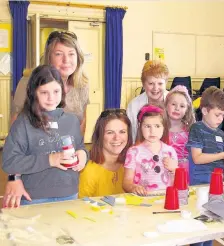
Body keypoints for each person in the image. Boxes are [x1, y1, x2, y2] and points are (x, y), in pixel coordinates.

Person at [3, 30, 90, 207]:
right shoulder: (29, 82)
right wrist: (14, 177)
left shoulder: (82, 85)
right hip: (35, 184)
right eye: (59, 54)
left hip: (65, 186)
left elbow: (79, 130)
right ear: (49, 57)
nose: (66, 60)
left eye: (71, 54)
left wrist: (81, 154)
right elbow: (15, 141)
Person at [187, 86, 224, 246]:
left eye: (223, 115)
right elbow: (197, 158)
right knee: (197, 230)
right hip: (199, 186)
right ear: (204, 110)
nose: (221, 119)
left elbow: (223, 162)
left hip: (216, 187)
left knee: (211, 229)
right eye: (217, 114)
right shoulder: (197, 129)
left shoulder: (221, 134)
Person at [122, 104, 178, 196]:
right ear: (140, 126)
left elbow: (178, 181)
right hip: (142, 200)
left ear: (164, 127)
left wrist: (175, 169)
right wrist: (133, 187)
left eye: (157, 126)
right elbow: (126, 183)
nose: (152, 131)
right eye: (147, 126)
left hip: (166, 198)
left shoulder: (170, 151)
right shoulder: (133, 152)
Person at [79, 109, 132, 198]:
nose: (117, 138)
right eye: (110, 132)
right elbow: (80, 207)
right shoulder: (88, 170)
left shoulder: (131, 165)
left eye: (122, 132)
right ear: (99, 135)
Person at [127, 60, 170, 141]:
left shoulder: (175, 101)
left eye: (160, 84)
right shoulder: (134, 105)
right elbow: (132, 135)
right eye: (151, 83)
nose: (155, 88)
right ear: (143, 84)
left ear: (166, 83)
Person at [165, 85, 195, 181]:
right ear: (166, 105)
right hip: (165, 171)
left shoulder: (191, 129)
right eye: (173, 104)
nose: (177, 108)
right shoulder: (160, 129)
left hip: (185, 172)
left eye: (182, 106)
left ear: (187, 110)